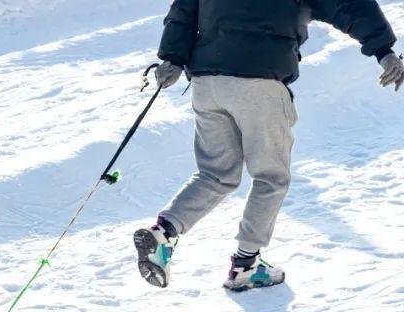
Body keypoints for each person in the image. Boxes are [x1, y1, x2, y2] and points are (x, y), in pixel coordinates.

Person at [135, 0, 403, 291]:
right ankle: (246, 266)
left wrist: (172, 58)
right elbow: (349, 5)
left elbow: (185, 9)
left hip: (208, 82)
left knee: (215, 174)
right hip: (259, 80)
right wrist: (384, 51)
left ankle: (163, 233)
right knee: (270, 177)